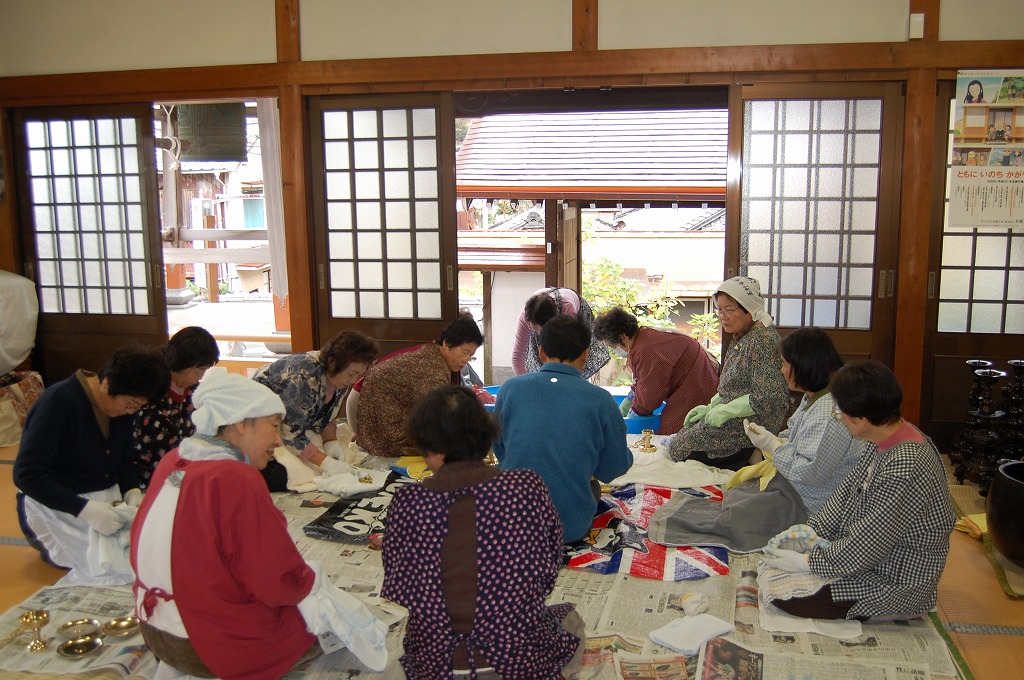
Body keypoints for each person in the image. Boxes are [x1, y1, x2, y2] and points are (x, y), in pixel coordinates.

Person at [131, 368, 388, 679]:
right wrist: (313, 583)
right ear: (241, 423)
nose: (278, 440)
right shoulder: (234, 477)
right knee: (321, 619)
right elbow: (275, 579)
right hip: (203, 644)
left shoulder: (174, 460)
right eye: (274, 426)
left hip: (153, 627)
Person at [381, 385, 585, 679]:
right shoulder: (527, 486)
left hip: (434, 665)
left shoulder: (407, 502)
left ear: (431, 449)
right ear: (485, 438)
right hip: (518, 659)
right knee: (569, 618)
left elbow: (399, 586)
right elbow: (550, 567)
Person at [763, 360, 956, 620]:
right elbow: (845, 493)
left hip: (893, 576)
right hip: (868, 553)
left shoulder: (906, 465)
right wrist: (811, 530)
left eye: (839, 411)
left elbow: (871, 543)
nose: (838, 416)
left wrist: (809, 563)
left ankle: (905, 608)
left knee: (786, 596)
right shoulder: (884, 435)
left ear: (862, 418)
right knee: (779, 571)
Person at [14, 346, 169, 583]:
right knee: (112, 568)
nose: (131, 411)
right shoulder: (58, 402)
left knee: (155, 549)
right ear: (107, 383)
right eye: (130, 404)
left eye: (138, 407)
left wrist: (132, 490)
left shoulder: (122, 409)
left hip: (104, 503)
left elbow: (124, 458)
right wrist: (83, 509)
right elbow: (26, 475)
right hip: (59, 506)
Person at [494, 314, 633, 543]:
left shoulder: (509, 389)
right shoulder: (600, 400)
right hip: (568, 529)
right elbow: (614, 467)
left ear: (541, 352)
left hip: (510, 522)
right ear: (585, 355)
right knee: (590, 485)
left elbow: (500, 449)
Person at [668, 276, 790, 470]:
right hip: (735, 414)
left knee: (679, 448)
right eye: (720, 310)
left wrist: (727, 410)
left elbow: (770, 397)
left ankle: (751, 452)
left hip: (753, 424)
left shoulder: (762, 341)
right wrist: (711, 406)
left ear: (749, 309)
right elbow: (733, 383)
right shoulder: (743, 335)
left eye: (730, 310)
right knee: (683, 434)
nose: (722, 316)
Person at [742, 327, 866, 516]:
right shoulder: (814, 396)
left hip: (817, 505)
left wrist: (772, 446)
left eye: (784, 364)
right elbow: (795, 432)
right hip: (802, 490)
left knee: (741, 511)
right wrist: (770, 440)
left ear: (803, 365)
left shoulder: (829, 412)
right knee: (739, 496)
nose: (782, 370)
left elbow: (809, 473)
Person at [254, 330, 380, 490]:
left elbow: (326, 414)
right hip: (263, 428)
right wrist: (326, 463)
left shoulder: (338, 377)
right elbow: (290, 433)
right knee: (287, 475)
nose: (354, 380)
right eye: (352, 374)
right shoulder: (303, 375)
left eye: (359, 375)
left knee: (337, 453)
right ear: (333, 363)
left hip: (299, 427)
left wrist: (331, 441)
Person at [356, 311, 482, 457]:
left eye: (471, 356)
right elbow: (438, 417)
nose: (466, 359)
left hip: (373, 432)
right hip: (386, 440)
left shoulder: (431, 354)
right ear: (447, 344)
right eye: (464, 352)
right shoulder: (432, 369)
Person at [592, 307, 720, 434]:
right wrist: (629, 402)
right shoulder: (644, 338)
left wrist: (630, 417)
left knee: (673, 429)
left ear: (623, 337)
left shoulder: (646, 349)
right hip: (696, 380)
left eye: (613, 347)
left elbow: (648, 397)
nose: (615, 351)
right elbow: (641, 384)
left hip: (696, 387)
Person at [132, 326, 220, 489]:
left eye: (205, 370)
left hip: (188, 472)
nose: (201, 376)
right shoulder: (152, 392)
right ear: (184, 361)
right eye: (199, 370)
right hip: (153, 479)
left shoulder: (194, 391)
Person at [511, 286, 610, 380]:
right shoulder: (526, 316)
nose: (538, 334)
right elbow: (517, 357)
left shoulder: (568, 310)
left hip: (573, 309)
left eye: (539, 331)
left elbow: (571, 355)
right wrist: (526, 382)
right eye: (535, 329)